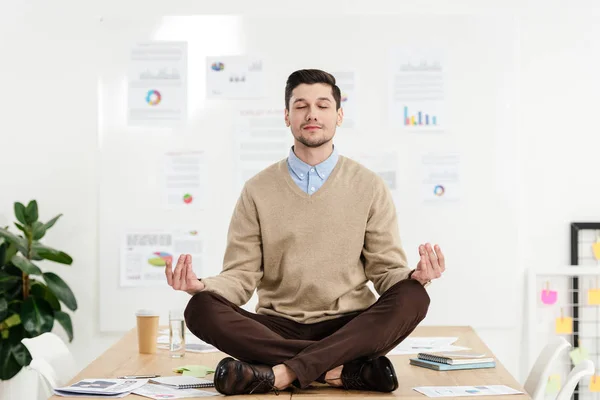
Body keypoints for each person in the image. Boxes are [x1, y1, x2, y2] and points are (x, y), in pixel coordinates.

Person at [165, 69, 445, 396]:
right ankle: (340, 371)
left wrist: (415, 275)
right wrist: (203, 286)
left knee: (413, 296)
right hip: (277, 327)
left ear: (338, 116)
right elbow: (241, 275)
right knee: (200, 308)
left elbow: (384, 270)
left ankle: (280, 374)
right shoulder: (257, 189)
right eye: (301, 106)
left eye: (323, 105)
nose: (312, 113)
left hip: (350, 325)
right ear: (287, 116)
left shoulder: (369, 185)